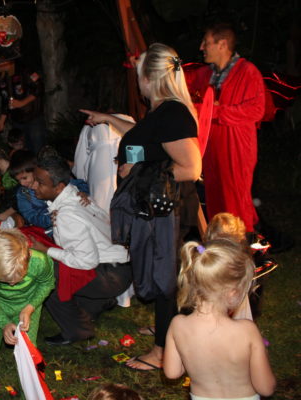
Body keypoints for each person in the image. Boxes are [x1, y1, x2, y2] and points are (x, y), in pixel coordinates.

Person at [81, 43, 201, 369]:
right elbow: (143, 137)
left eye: (138, 76)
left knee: (165, 275)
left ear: (149, 78)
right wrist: (108, 119)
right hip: (158, 209)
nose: (137, 82)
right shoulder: (161, 112)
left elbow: (191, 168)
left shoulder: (173, 113)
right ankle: (170, 329)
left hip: (168, 212)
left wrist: (139, 171)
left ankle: (162, 352)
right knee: (166, 273)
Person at [29, 156, 132, 345]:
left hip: (110, 274)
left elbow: (86, 261)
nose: (33, 185)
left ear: (58, 187)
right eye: (34, 179)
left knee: (46, 272)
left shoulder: (67, 214)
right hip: (119, 267)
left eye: (40, 182)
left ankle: (77, 330)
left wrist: (46, 250)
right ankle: (96, 305)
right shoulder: (74, 194)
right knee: (60, 265)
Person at [164, 239, 276, 400]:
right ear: (232, 292)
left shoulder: (178, 325)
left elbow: (172, 372)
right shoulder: (247, 330)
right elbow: (266, 388)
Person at [188, 23, 265, 232]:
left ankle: (243, 245)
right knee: (215, 200)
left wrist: (215, 111)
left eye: (206, 42)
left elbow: (256, 110)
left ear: (222, 44)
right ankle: (221, 245)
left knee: (236, 201)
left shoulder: (247, 72)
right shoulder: (204, 74)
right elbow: (177, 86)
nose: (202, 47)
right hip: (211, 147)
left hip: (237, 147)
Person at [0, 229, 55, 400]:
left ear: (27, 259)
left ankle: (29, 390)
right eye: (6, 280)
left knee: (29, 353)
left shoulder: (40, 261)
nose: (13, 284)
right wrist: (3, 323)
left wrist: (29, 308)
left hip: (28, 306)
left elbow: (47, 283)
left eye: (18, 277)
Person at [11, 150, 89, 232]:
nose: (22, 183)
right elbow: (30, 216)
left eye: (24, 178)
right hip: (51, 230)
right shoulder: (24, 193)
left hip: (73, 217)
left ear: (34, 170)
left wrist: (84, 192)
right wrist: (49, 219)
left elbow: (79, 183)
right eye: (18, 180)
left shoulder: (50, 178)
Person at [0, 50, 47, 154]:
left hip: (33, 118)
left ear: (6, 60)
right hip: (17, 121)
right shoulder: (1, 79)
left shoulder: (24, 71)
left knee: (38, 151)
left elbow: (39, 87)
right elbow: (5, 100)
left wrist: (22, 102)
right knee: (21, 153)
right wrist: (1, 121)